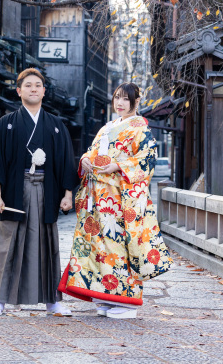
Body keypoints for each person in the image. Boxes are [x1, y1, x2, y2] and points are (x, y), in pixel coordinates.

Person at [58, 83, 172, 319]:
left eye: (125, 99)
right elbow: (92, 150)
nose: (119, 103)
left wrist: (118, 166)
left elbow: (147, 160)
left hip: (120, 198)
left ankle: (127, 301)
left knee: (120, 247)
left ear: (136, 102)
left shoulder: (140, 129)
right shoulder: (108, 127)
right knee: (100, 247)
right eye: (117, 98)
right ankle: (105, 296)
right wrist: (86, 160)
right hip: (98, 196)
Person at [0, 68, 77, 317]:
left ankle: (53, 301)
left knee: (47, 243)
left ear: (44, 91)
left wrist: (67, 194)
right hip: (13, 191)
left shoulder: (55, 126)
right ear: (18, 91)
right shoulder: (5, 125)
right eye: (28, 85)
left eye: (38, 85)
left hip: (46, 190)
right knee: (8, 244)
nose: (33, 89)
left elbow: (65, 162)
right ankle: (0, 299)